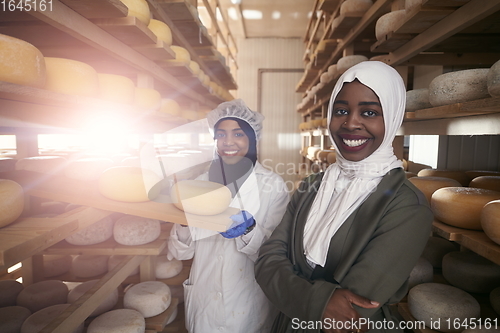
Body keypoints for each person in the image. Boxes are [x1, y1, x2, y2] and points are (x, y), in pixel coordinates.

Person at [254, 61, 434, 333]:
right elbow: (267, 261)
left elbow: (353, 310)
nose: (351, 123)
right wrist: (320, 301)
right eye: (341, 111)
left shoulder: (406, 205)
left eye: (369, 112)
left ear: (393, 116)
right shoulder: (312, 185)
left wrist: (292, 289)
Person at [167, 98, 290, 333]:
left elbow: (278, 253)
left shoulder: (272, 185)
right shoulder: (199, 184)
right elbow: (179, 252)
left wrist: (249, 231)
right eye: (221, 135)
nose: (228, 142)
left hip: (248, 303)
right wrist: (183, 222)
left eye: (238, 134)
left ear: (252, 139)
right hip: (204, 304)